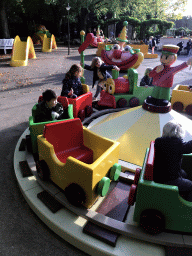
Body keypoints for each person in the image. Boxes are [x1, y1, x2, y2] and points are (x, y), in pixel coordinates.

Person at [154, 120, 192, 201]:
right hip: (168, 179)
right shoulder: (177, 144)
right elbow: (188, 147)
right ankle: (187, 204)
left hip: (160, 174)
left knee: (184, 174)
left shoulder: (159, 141)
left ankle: (182, 194)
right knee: (191, 185)